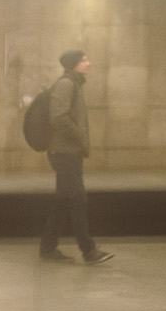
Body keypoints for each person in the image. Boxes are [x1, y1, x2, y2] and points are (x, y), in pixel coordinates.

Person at [39, 49, 114, 265]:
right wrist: (79, 136)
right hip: (64, 152)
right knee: (77, 198)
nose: (88, 63)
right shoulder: (66, 84)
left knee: (63, 200)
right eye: (84, 60)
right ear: (74, 64)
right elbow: (58, 117)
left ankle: (47, 246)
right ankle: (88, 250)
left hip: (67, 151)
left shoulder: (74, 83)